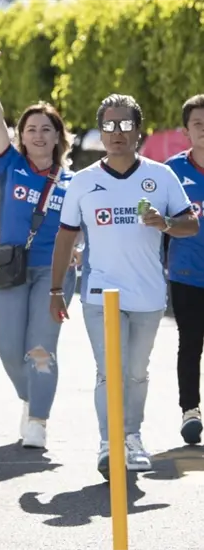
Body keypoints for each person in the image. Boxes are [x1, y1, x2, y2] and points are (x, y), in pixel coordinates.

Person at [50, 94, 199, 478]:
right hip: (101, 293)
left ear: (139, 130)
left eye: (126, 125)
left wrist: (164, 223)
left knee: (135, 372)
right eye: (110, 126)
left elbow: (191, 225)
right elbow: (65, 238)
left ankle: (132, 437)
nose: (118, 133)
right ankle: (109, 442)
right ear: (100, 132)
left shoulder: (161, 177)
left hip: (148, 294)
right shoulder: (83, 182)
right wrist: (55, 290)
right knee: (108, 371)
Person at [0, 46, 79, 449]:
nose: (38, 135)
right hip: (11, 268)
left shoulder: (72, 182)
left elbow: (80, 225)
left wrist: (80, 247)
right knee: (6, 349)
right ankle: (32, 395)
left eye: (46, 129)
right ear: (22, 136)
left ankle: (38, 419)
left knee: (40, 348)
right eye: (31, 129)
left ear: (59, 137)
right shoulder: (10, 165)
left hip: (54, 273)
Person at [165, 93, 204, 444]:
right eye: (198, 125)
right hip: (187, 274)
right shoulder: (171, 172)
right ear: (186, 131)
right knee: (191, 342)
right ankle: (190, 410)